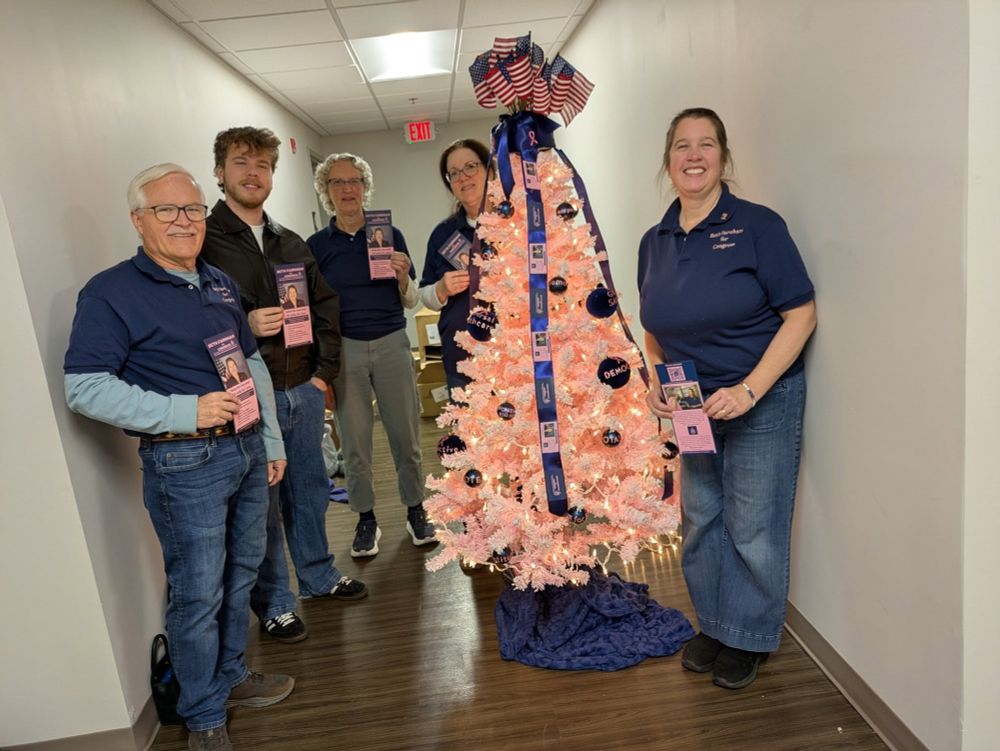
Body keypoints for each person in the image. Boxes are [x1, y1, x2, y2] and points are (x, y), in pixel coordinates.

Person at [64, 164, 294, 751]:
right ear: (139, 220)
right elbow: (85, 387)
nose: (184, 221)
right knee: (199, 592)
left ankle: (232, 675)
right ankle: (203, 715)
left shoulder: (216, 281)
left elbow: (252, 364)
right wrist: (184, 411)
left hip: (244, 450)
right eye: (166, 211)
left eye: (192, 209)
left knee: (242, 573)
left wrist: (267, 439)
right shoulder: (111, 292)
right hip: (184, 465)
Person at [639, 108, 817, 691]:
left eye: (707, 144)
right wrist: (662, 382)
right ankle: (713, 626)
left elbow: (801, 314)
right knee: (701, 520)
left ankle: (749, 636)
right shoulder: (655, 241)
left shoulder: (758, 226)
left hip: (758, 398)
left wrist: (748, 390)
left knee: (753, 526)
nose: (695, 155)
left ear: (723, 157)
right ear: (668, 160)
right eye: (683, 145)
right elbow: (654, 328)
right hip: (693, 405)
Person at [202, 127, 367, 647]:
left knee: (311, 490)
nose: (253, 173)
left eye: (263, 165)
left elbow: (326, 309)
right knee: (262, 505)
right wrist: (243, 326)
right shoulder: (203, 243)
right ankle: (275, 602)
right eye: (241, 163)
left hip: (302, 388)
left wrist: (323, 375)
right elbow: (196, 320)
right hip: (249, 397)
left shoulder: (289, 241)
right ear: (220, 172)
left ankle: (318, 576)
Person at [307, 152, 434, 557]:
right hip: (344, 350)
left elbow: (413, 299)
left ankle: (416, 509)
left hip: (392, 341)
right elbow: (309, 310)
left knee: (406, 435)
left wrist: (402, 275)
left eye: (354, 181)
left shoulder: (389, 233)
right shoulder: (316, 247)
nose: (347, 189)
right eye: (337, 182)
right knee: (356, 444)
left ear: (365, 187)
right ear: (326, 192)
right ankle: (365, 520)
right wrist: (320, 368)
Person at [418, 138, 491, 393]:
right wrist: (440, 289)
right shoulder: (443, 234)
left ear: (489, 170)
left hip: (518, 357)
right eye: (454, 174)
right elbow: (424, 293)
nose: (463, 177)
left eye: (471, 167)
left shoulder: (517, 224)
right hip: (463, 359)